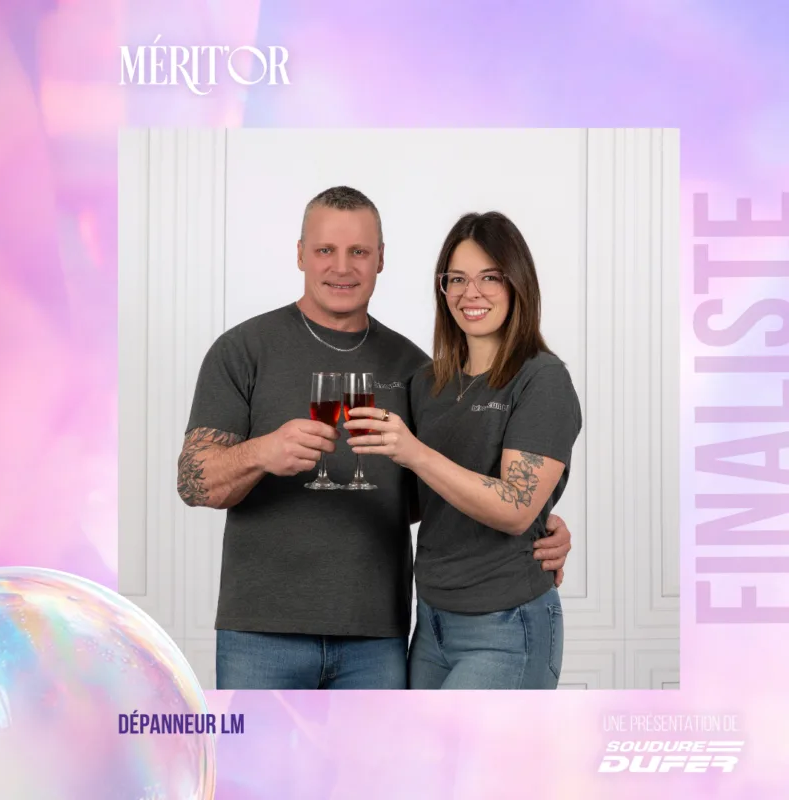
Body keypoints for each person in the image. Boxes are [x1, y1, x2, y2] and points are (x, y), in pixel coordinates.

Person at [178, 187, 575, 690]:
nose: (342, 267)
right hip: (261, 633)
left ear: (381, 259)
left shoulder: (417, 371)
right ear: (300, 254)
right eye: (325, 250)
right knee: (259, 749)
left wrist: (540, 524)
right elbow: (192, 484)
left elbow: (439, 489)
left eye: (359, 251)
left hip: (379, 639)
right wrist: (262, 453)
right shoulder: (242, 350)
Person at [344, 211, 582, 689]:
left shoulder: (542, 379)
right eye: (457, 279)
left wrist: (415, 452)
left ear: (518, 284)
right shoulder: (427, 383)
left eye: (490, 277)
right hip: (429, 622)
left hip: (507, 625)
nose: (470, 293)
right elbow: (419, 500)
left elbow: (515, 510)